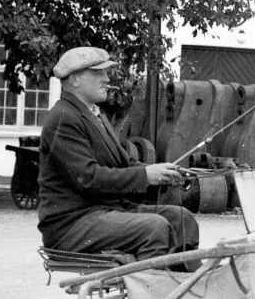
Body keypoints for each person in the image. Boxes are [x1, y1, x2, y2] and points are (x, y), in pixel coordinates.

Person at [37, 46, 198, 263]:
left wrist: (162, 173)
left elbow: (124, 162)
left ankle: (183, 288)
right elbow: (88, 177)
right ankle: (149, 291)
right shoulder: (63, 117)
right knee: (154, 227)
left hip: (102, 212)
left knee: (181, 219)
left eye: (105, 72)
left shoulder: (95, 115)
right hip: (71, 224)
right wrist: (145, 176)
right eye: (98, 73)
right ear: (74, 79)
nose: (106, 79)